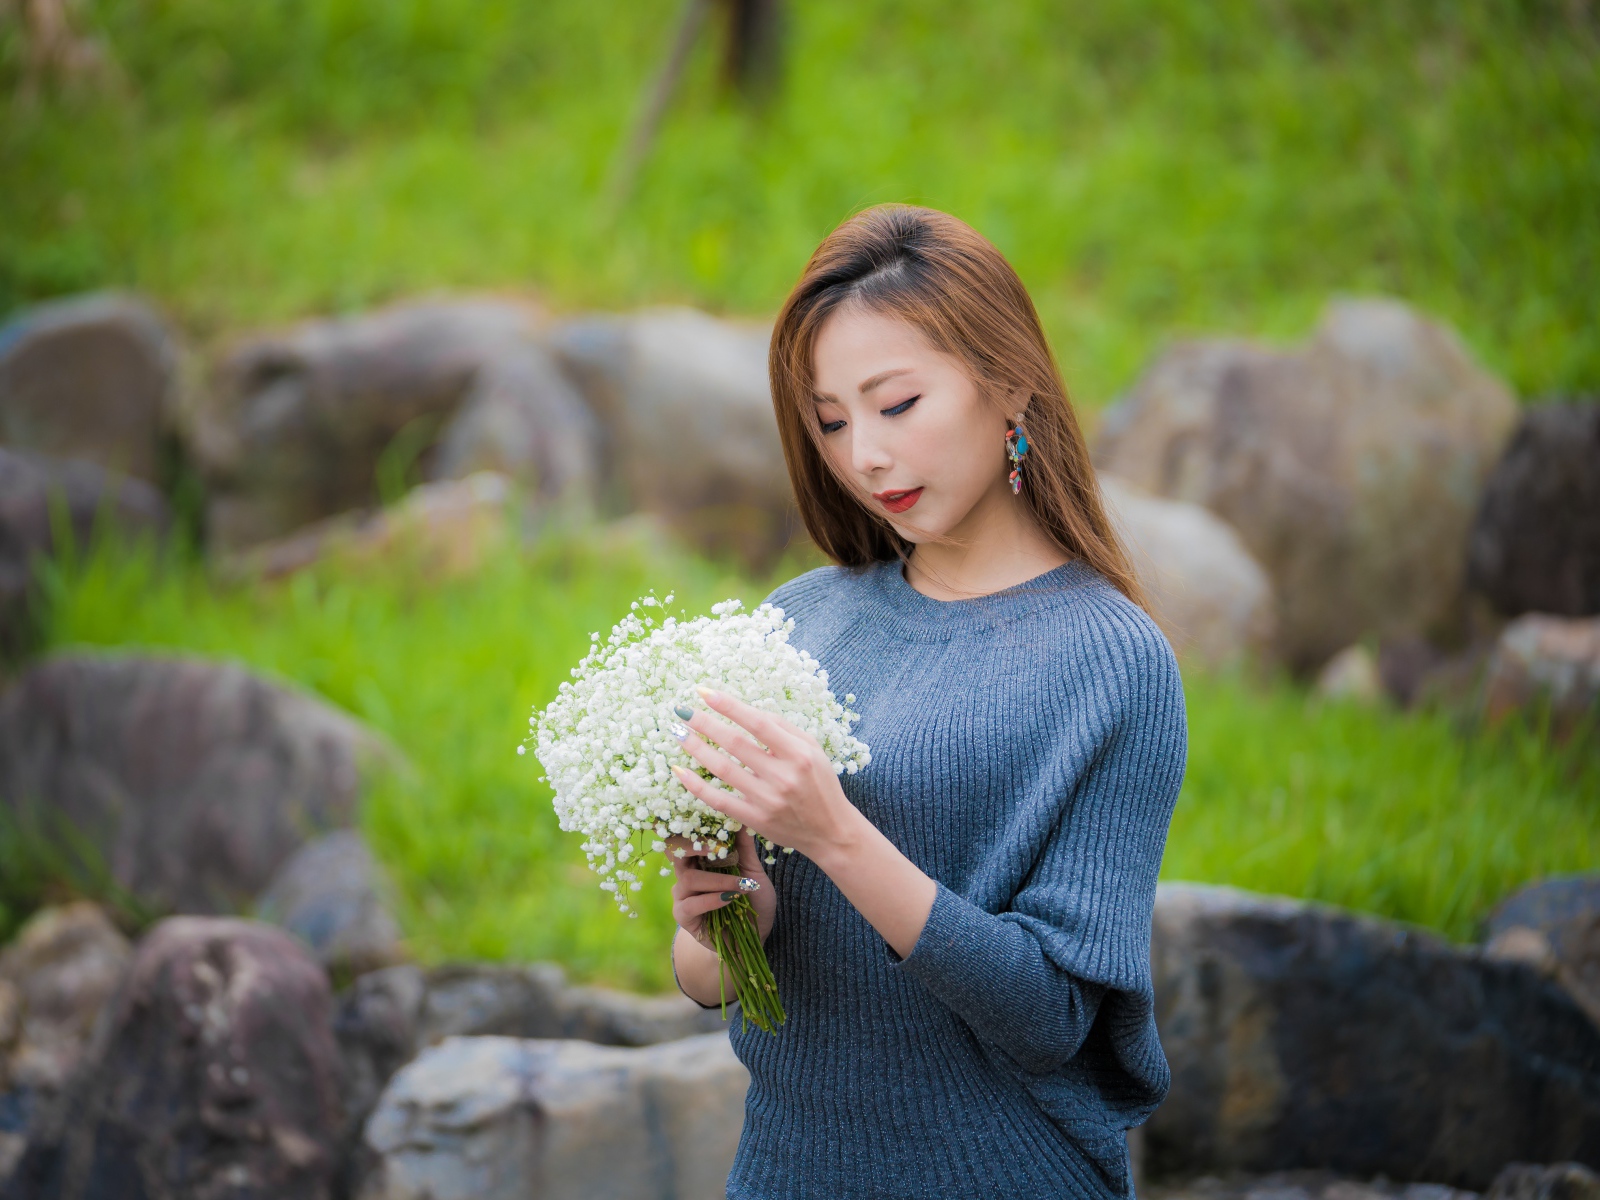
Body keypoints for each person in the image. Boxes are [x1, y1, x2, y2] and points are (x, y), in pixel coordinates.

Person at [666, 204, 1186, 1199]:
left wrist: (833, 835)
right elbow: (708, 985)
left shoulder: (1113, 662)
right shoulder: (797, 622)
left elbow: (1051, 1018)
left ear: (1010, 384)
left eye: (895, 404)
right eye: (829, 420)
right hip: (784, 1172)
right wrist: (723, 921)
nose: (863, 455)